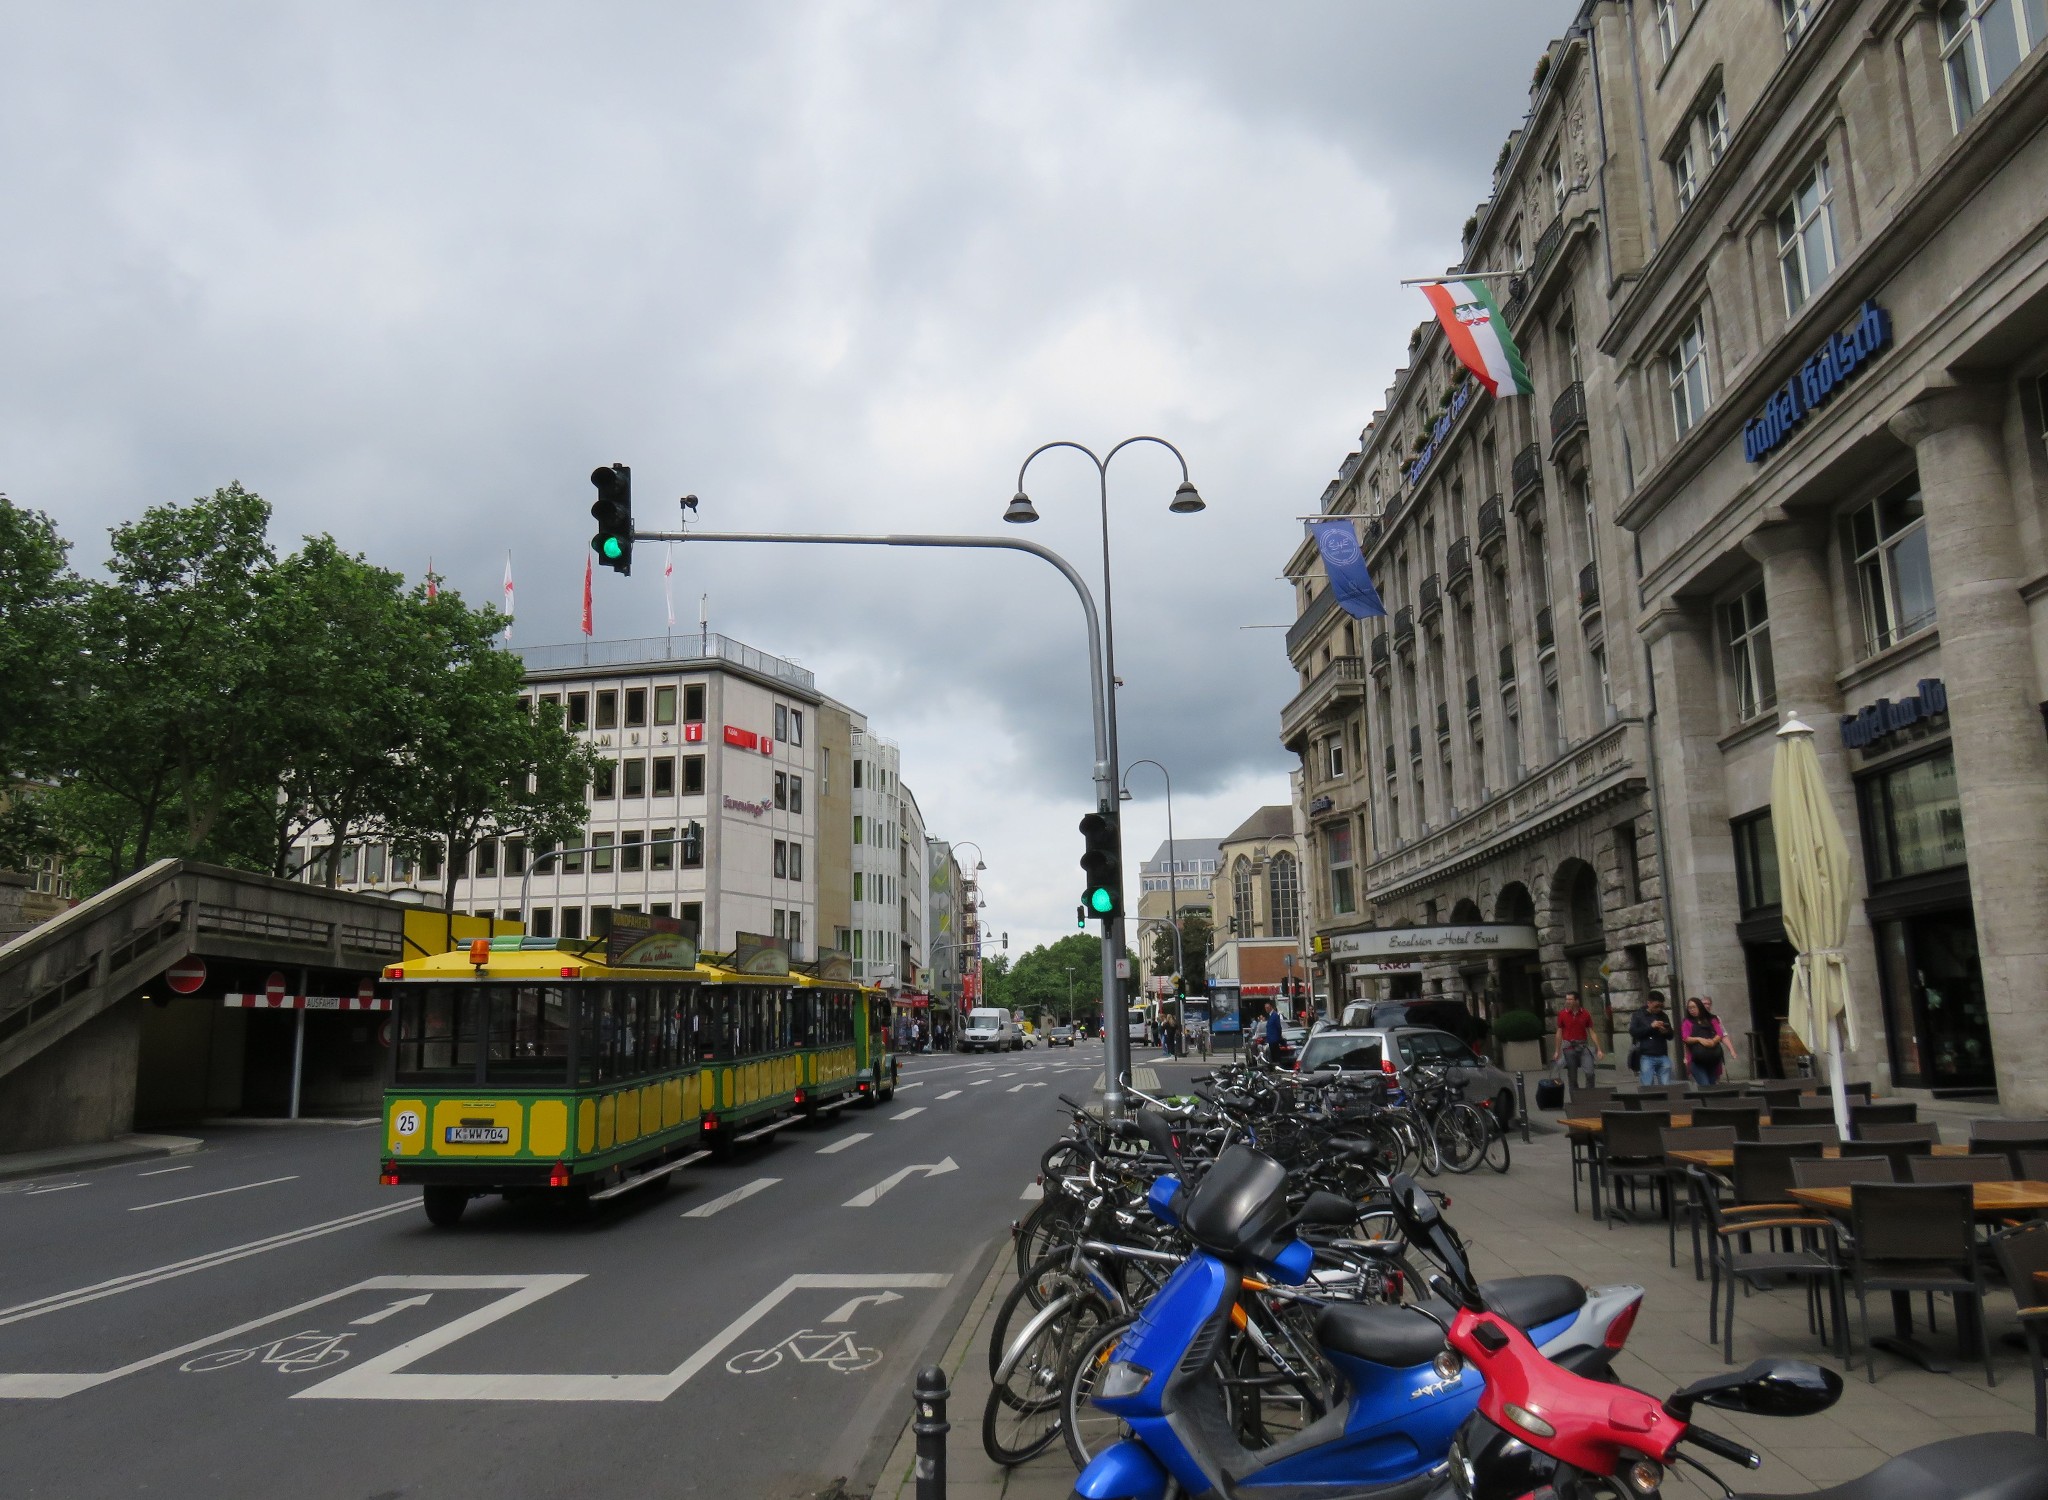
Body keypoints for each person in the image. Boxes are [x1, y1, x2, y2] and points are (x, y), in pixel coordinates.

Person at [1554, 991, 1601, 1092]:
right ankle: (1575, 1098)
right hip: (1569, 1047)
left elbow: (1592, 1032)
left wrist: (1599, 1049)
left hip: (1583, 1046)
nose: (1568, 1001)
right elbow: (1559, 1033)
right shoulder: (1562, 1014)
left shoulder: (1585, 1013)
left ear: (1577, 1001)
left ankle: (1589, 1095)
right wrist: (1557, 1051)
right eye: (1567, 999)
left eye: (1570, 999)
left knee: (1590, 1072)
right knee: (1572, 1075)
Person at [1682, 997, 1732, 1087]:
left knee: (1713, 1085)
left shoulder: (1712, 1019)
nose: (1692, 1010)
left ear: (1700, 1007)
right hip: (1696, 1060)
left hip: (1712, 1058)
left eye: (1694, 1007)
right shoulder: (1687, 1022)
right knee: (1705, 1085)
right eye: (1689, 1008)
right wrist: (1699, 1039)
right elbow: (1685, 1038)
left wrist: (1712, 1042)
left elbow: (1720, 1033)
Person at [1629, 992, 1674, 1086]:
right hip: (1646, 1055)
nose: (1659, 1009)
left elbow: (1671, 1035)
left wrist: (1665, 1031)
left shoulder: (1663, 1016)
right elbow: (1634, 1032)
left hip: (1662, 1054)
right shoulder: (1638, 1015)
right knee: (1647, 1085)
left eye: (1661, 1006)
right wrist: (1651, 1027)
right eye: (1656, 1006)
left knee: (1666, 1085)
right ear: (1649, 1003)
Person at [1262, 1000, 1282, 1064]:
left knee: (1276, 1055)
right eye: (1265, 1008)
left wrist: (1278, 1037)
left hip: (1274, 1039)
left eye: (1267, 1008)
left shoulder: (1275, 1015)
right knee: (1272, 1055)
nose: (1266, 1009)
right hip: (1271, 1039)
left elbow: (1278, 1027)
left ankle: (1277, 1066)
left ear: (1271, 1007)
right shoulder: (1270, 1016)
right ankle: (1274, 1066)